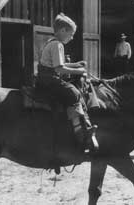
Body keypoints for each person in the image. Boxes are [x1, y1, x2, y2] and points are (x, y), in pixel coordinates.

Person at [36, 13, 99, 152]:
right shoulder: (58, 45)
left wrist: (76, 65)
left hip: (44, 79)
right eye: (71, 34)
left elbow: (59, 64)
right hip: (49, 80)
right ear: (63, 30)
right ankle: (79, 132)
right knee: (74, 93)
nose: (72, 38)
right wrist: (81, 71)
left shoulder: (51, 42)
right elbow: (59, 68)